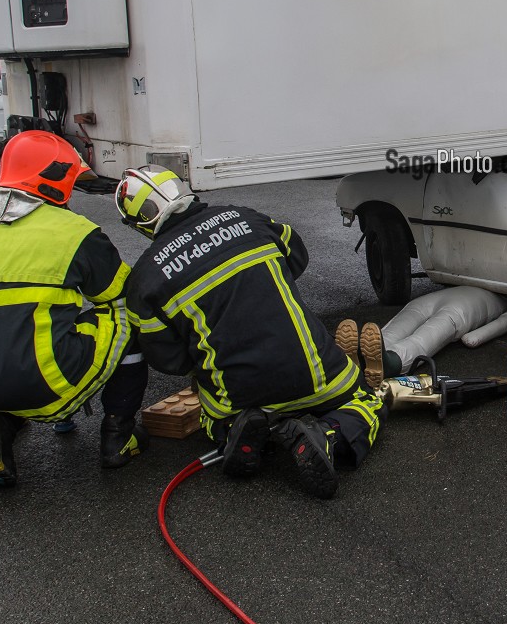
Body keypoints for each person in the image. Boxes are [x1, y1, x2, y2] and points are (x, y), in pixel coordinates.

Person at [115, 166, 384, 499]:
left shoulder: (144, 279)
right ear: (182, 190)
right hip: (316, 375)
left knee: (211, 417)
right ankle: (328, 435)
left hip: (237, 397)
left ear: (140, 223)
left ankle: (237, 432)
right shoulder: (246, 218)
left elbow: (169, 359)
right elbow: (297, 258)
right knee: (367, 402)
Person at [0, 131, 148, 488]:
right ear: (55, 179)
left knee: (3, 329)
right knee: (126, 317)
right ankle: (118, 437)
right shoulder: (74, 232)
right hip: (48, 380)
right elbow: (121, 293)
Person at [336, 288, 507, 388]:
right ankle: (391, 362)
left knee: (393, 330)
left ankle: (360, 356)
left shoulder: (485, 276)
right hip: (461, 312)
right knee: (423, 339)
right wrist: (475, 336)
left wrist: (475, 337)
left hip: (436, 297)